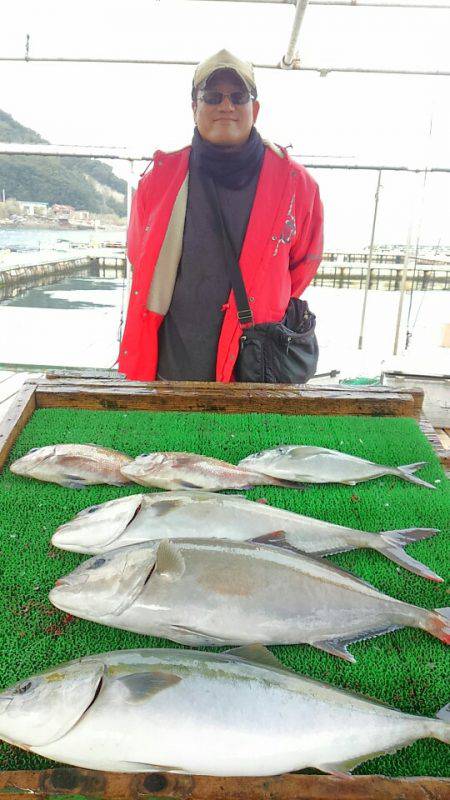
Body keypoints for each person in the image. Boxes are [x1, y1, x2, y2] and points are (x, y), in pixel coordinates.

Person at [119, 49, 323, 382]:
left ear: (254, 109)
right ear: (194, 108)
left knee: (256, 435)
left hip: (256, 369)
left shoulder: (297, 185)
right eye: (212, 96)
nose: (225, 106)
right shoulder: (158, 181)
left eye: (238, 96)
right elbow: (139, 255)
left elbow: (303, 265)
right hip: (174, 367)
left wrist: (264, 291)